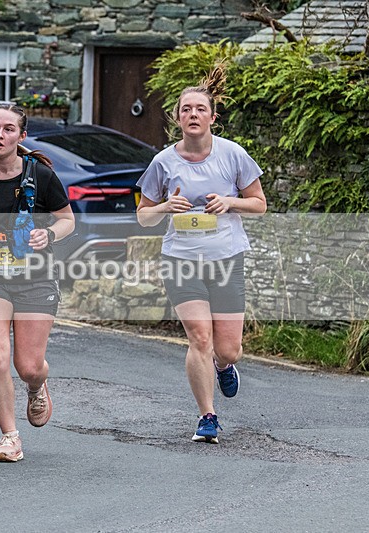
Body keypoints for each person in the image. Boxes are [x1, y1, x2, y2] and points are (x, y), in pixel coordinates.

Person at [136, 65, 266, 444]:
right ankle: (207, 416)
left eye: (199, 109)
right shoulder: (163, 162)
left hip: (226, 259)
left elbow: (259, 204)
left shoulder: (233, 155)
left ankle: (224, 366)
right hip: (181, 260)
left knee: (228, 348)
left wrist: (229, 202)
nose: (192, 114)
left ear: (212, 117)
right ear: (177, 118)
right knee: (199, 338)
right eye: (185, 109)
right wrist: (165, 208)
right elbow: (143, 217)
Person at [0, 104, 75, 462]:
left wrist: (48, 234)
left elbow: (68, 221)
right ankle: (10, 437)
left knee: (28, 365)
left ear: (21, 137)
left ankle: (37, 385)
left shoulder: (41, 177)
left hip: (35, 278)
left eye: (7, 129)